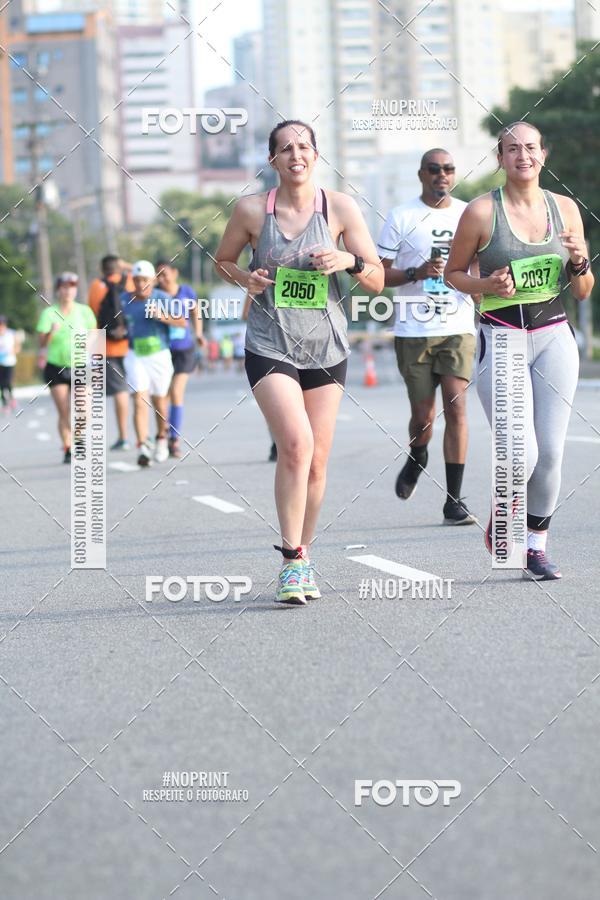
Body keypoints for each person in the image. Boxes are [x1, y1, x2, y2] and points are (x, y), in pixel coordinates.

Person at [215, 119, 384, 605]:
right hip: (270, 344)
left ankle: (303, 552)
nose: (296, 155)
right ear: (273, 160)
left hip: (326, 348)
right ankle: (290, 560)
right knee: (295, 444)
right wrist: (244, 277)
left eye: (304, 147)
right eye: (285, 148)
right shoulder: (251, 211)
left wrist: (346, 262)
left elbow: (376, 277)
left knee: (316, 462)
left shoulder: (341, 208)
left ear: (316, 154)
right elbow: (222, 261)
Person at [445, 121, 594, 580]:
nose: (523, 156)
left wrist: (578, 261)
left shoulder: (566, 209)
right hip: (502, 335)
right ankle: (502, 507)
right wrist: (486, 284)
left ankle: (534, 547)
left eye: (530, 148)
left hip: (554, 337)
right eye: (513, 149)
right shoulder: (480, 213)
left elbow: (584, 289)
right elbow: (453, 274)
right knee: (521, 451)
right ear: (500, 158)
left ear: (543, 155)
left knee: (550, 452)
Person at [377, 149, 478, 525]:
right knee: (424, 416)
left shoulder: (470, 213)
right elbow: (378, 275)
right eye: (434, 169)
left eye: (448, 169)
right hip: (414, 330)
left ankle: (454, 500)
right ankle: (418, 454)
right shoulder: (401, 216)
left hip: (457, 327)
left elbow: (480, 263)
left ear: (454, 174)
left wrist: (483, 291)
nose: (442, 175)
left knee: (457, 407)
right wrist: (415, 272)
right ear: (422, 174)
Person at [121, 260, 187, 467]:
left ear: (153, 280)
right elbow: (116, 322)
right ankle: (142, 445)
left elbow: (182, 322)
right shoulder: (124, 300)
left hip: (159, 355)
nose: (141, 284)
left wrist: (163, 317)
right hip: (135, 355)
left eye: (145, 280)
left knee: (160, 402)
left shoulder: (163, 298)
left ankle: (160, 438)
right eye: (137, 280)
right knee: (139, 400)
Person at [36, 272, 97, 463]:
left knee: (84, 410)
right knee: (64, 411)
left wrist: (89, 342)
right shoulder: (49, 313)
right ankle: (68, 447)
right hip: (56, 366)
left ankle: (78, 437)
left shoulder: (84, 311)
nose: (68, 290)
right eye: (64, 286)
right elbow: (42, 342)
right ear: (58, 290)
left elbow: (94, 332)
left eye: (72, 286)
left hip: (80, 365)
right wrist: (51, 333)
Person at [155, 259, 204, 458]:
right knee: (161, 397)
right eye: (158, 275)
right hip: (163, 351)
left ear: (174, 273)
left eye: (165, 273)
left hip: (184, 349)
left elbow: (196, 311)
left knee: (176, 391)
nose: (162, 278)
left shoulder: (186, 292)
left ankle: (174, 439)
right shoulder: (155, 295)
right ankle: (162, 434)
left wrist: (199, 333)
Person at [88, 254, 134, 450]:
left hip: (107, 346)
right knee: (140, 390)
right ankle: (147, 435)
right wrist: (127, 266)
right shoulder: (131, 280)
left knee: (120, 391)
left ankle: (123, 437)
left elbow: (93, 317)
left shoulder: (97, 286)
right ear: (119, 267)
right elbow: (152, 278)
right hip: (132, 344)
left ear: (102, 269)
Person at [0, 316, 21, 412]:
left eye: (2, 324)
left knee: (7, 382)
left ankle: (12, 399)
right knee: (2, 384)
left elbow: (17, 347)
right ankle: (5, 404)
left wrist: (12, 351)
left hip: (9, 362)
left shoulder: (11, 333)